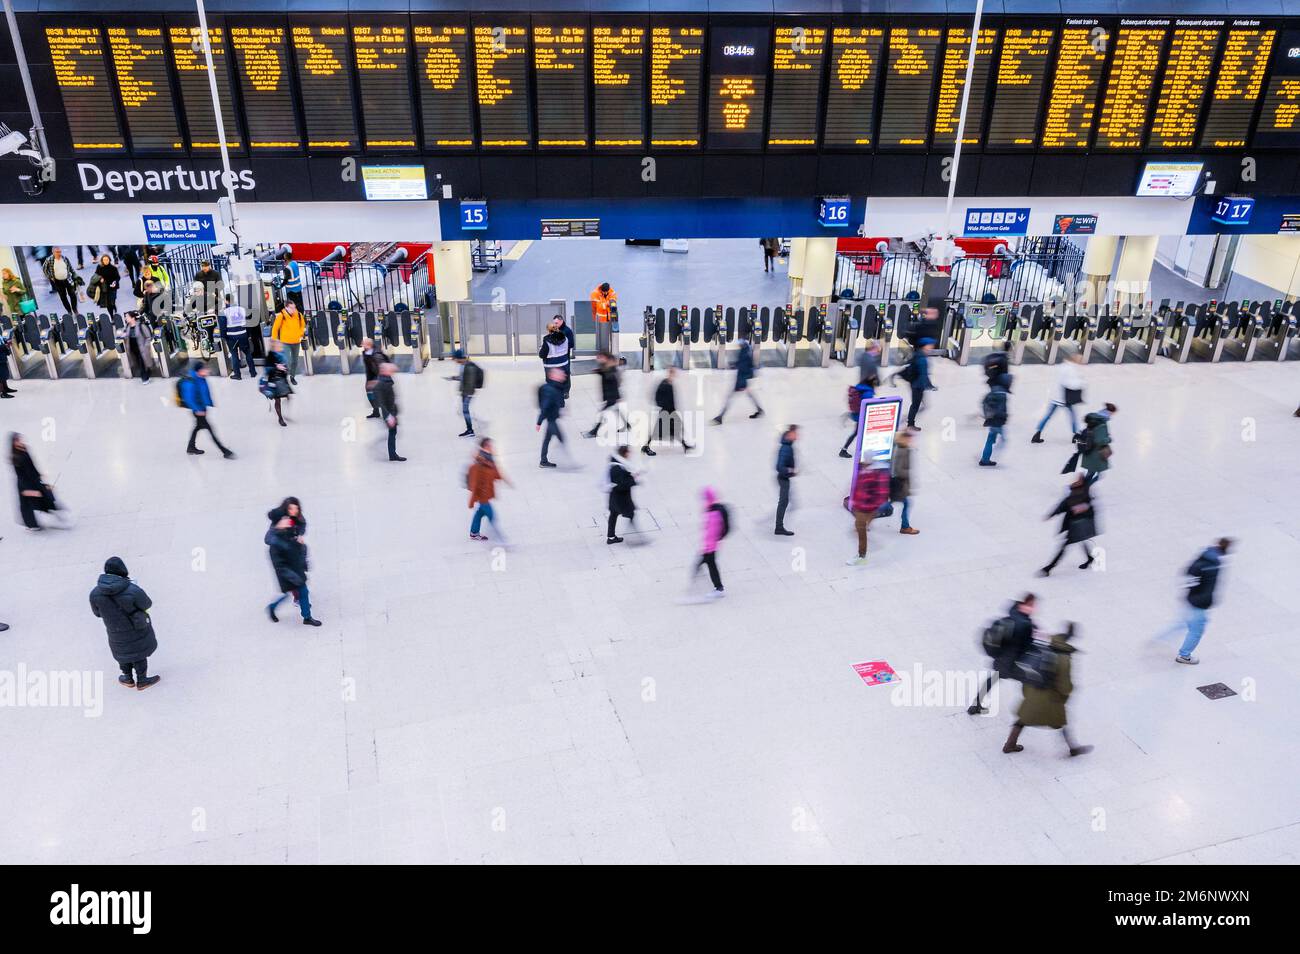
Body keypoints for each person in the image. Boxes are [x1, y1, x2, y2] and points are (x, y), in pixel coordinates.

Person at [1003, 624, 1092, 757]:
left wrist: (1027, 692)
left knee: (1023, 719)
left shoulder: (1043, 648)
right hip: (1050, 698)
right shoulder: (1064, 658)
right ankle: (1073, 748)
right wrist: (1069, 691)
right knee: (1060, 722)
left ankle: (1009, 744)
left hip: (1032, 692)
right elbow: (1064, 685)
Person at [89, 557, 160, 690]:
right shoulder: (132, 590)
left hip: (114, 630)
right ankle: (142, 680)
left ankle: (127, 678)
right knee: (138, 652)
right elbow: (147, 604)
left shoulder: (95, 593)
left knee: (122, 652)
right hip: (136, 628)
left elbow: (97, 613)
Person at [1163, 538, 1232, 665]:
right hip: (1200, 603)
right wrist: (1205, 600)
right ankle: (1184, 655)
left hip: (1191, 599)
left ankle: (1162, 639)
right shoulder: (1213, 564)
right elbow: (1208, 585)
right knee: (1196, 631)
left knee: (1184, 623)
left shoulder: (1205, 555)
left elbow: (1190, 574)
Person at [968, 594, 1037, 715]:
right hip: (1013, 661)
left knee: (993, 679)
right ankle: (1027, 714)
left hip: (1001, 658)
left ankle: (975, 705)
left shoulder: (1014, 613)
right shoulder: (1025, 625)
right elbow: (1025, 645)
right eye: (1032, 605)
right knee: (1030, 682)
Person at [266, 515, 322, 626]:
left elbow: (300, 548)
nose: (288, 520)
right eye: (284, 519)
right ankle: (272, 607)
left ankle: (307, 617)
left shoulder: (290, 532)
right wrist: (292, 577)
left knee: (304, 592)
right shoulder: (274, 544)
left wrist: (301, 547)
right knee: (286, 595)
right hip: (287, 575)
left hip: (296, 570)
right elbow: (279, 565)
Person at [12, 432, 72, 531]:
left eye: (20, 439)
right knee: (27, 505)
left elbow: (32, 465)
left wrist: (40, 476)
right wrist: (27, 490)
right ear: (13, 443)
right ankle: (33, 525)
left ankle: (57, 513)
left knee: (45, 496)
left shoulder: (25, 449)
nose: (20, 441)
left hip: (34, 480)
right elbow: (20, 476)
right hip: (25, 484)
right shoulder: (16, 458)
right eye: (17, 440)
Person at [1038, 476, 1097, 576]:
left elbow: (1066, 505)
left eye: (1079, 480)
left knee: (1064, 547)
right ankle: (1090, 558)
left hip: (1078, 525)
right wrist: (1051, 514)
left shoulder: (1081, 494)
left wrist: (1052, 514)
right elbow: (1063, 505)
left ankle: (1049, 568)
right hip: (1075, 524)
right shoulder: (1076, 492)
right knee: (1080, 540)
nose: (1075, 481)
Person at [179, 360, 235, 459]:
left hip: (202, 409)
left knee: (197, 427)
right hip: (198, 411)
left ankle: (190, 447)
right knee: (210, 430)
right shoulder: (192, 382)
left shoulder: (201, 378)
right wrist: (198, 410)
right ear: (198, 371)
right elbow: (189, 399)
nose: (207, 370)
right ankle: (224, 451)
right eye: (204, 369)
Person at [1031, 351, 1084, 443]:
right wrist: (1080, 383)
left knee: (1047, 416)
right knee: (1073, 416)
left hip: (1055, 396)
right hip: (1064, 398)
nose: (1080, 361)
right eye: (1079, 359)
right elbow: (1069, 383)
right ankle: (1076, 435)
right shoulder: (1070, 369)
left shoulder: (1061, 366)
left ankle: (1037, 433)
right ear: (1074, 359)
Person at [467, 438, 512, 541]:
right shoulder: (480, 462)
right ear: (486, 447)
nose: (493, 447)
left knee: (480, 513)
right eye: (491, 446)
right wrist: (474, 497)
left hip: (486, 492)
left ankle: (474, 533)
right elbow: (474, 481)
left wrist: (505, 480)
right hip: (482, 494)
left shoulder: (489, 458)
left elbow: (495, 472)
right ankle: (501, 540)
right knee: (492, 516)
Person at [846, 461, 890, 566]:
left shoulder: (874, 474)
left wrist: (869, 506)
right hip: (862, 507)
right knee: (859, 526)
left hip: (866, 507)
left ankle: (862, 556)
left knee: (860, 528)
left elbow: (879, 494)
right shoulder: (865, 472)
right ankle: (862, 554)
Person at [641, 367, 692, 455]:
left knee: (677, 428)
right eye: (674, 373)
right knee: (658, 431)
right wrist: (664, 405)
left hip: (671, 411)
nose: (675, 375)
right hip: (665, 412)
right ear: (670, 373)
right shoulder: (664, 383)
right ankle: (645, 447)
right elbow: (657, 397)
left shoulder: (670, 383)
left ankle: (685, 445)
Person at [712, 338, 763, 424]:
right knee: (750, 395)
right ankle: (759, 410)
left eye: (740, 344)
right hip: (742, 381)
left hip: (741, 381)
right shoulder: (745, 352)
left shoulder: (744, 355)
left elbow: (744, 369)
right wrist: (734, 365)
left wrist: (741, 384)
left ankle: (720, 417)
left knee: (729, 398)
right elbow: (744, 365)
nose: (738, 346)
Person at [690, 487, 728, 598]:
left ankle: (719, 588)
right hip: (712, 544)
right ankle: (716, 586)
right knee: (709, 563)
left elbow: (711, 533)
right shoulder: (714, 508)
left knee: (709, 564)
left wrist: (708, 547)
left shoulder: (713, 513)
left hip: (710, 546)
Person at [586, 350, 627, 439]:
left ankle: (595, 431)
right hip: (610, 395)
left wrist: (617, 397)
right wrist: (598, 371)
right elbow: (604, 373)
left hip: (612, 396)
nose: (598, 359)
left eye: (600, 357)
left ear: (606, 358)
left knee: (602, 413)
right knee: (616, 411)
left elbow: (615, 383)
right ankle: (627, 425)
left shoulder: (612, 370)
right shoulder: (606, 367)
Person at [898, 338, 934, 429]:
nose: (932, 346)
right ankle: (910, 424)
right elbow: (923, 375)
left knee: (916, 404)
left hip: (915, 383)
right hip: (917, 386)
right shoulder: (922, 358)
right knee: (915, 405)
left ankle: (910, 421)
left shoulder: (918, 354)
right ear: (925, 346)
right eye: (930, 345)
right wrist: (927, 385)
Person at [605, 445, 638, 544]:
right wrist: (633, 479)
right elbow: (622, 485)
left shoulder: (616, 463)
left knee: (613, 515)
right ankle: (634, 538)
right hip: (621, 499)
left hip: (613, 497)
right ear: (625, 453)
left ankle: (611, 537)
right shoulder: (618, 468)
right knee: (631, 514)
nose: (630, 454)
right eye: (629, 452)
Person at [538, 316, 576, 401]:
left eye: (556, 323)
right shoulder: (564, 338)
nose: (556, 324)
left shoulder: (548, 341)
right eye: (554, 323)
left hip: (552, 366)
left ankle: (557, 398)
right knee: (562, 381)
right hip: (563, 362)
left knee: (553, 383)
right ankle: (561, 399)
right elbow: (566, 346)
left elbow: (542, 354)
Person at [889, 427, 919, 535]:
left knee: (892, 502)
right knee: (906, 503)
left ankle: (867, 520)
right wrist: (908, 473)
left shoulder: (903, 449)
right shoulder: (903, 451)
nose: (911, 439)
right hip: (900, 484)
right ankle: (905, 527)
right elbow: (899, 470)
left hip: (900, 484)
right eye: (908, 437)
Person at [978, 371, 1010, 467]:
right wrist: (1004, 417)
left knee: (991, 439)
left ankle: (985, 458)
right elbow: (1001, 409)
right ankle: (987, 458)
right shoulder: (1002, 394)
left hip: (992, 420)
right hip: (997, 421)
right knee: (1003, 440)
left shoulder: (994, 391)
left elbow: (984, 403)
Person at [373, 361, 404, 461]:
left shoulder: (386, 380)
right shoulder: (381, 384)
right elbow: (381, 403)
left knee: (393, 433)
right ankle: (392, 455)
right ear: (385, 371)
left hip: (392, 411)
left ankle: (393, 454)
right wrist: (388, 416)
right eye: (390, 371)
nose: (392, 373)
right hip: (389, 414)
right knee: (392, 433)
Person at [537, 367, 567, 468]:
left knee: (547, 439)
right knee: (561, 439)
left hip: (552, 418)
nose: (563, 375)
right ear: (553, 376)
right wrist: (539, 422)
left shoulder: (556, 387)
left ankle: (543, 461)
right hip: (551, 420)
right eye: (560, 374)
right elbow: (544, 407)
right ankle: (567, 461)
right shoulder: (550, 390)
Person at [1078, 404, 1116, 484]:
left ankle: (1084, 489)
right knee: (1097, 475)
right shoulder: (1102, 422)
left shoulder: (1095, 418)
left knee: (1091, 473)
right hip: (1096, 454)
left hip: (1090, 451)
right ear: (1110, 412)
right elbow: (1100, 440)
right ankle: (1083, 489)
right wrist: (1108, 439)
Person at [271, 299, 306, 384]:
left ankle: (292, 376)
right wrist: (274, 340)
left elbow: (303, 326)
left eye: (294, 307)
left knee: (295, 361)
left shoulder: (298, 314)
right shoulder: (281, 316)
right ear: (286, 307)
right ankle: (284, 377)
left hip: (296, 342)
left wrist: (300, 334)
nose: (293, 309)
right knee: (287, 361)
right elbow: (275, 329)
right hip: (285, 342)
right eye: (291, 308)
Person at [220, 294, 255, 380]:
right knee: (247, 353)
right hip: (243, 334)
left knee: (234, 355)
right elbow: (248, 322)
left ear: (226, 301)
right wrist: (248, 334)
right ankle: (253, 372)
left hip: (231, 337)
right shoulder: (242, 309)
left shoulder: (224, 312)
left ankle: (237, 375)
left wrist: (223, 337)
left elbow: (223, 326)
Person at [840, 378, 875, 458]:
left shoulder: (859, 387)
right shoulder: (868, 392)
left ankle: (844, 450)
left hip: (857, 414)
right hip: (862, 416)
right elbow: (869, 404)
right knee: (858, 433)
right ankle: (844, 450)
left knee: (857, 433)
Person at [452, 349, 483, 437]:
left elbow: (470, 382)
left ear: (459, 358)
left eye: (455, 359)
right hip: (465, 392)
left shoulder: (469, 367)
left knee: (465, 411)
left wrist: (467, 394)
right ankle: (470, 428)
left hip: (468, 393)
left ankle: (470, 430)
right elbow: (463, 377)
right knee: (464, 411)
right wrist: (454, 378)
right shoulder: (463, 365)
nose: (455, 361)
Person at [42, 247, 82, 315]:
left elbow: (71, 268)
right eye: (57, 252)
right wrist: (50, 277)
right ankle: (69, 311)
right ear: (53, 252)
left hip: (68, 279)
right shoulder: (49, 260)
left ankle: (75, 309)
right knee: (63, 297)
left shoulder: (64, 258)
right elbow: (44, 269)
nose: (59, 253)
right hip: (57, 281)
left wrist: (75, 276)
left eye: (60, 252)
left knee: (73, 295)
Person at [774, 425, 798, 536]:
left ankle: (779, 525)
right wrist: (790, 470)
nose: (797, 436)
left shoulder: (788, 446)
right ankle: (779, 527)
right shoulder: (786, 448)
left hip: (785, 477)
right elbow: (779, 466)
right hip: (783, 478)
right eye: (795, 434)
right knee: (783, 502)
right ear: (789, 435)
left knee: (785, 501)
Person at [262, 345, 292, 427]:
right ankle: (280, 418)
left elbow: (286, 368)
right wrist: (276, 367)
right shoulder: (269, 356)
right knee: (277, 400)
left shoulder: (282, 355)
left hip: (282, 380)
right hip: (273, 381)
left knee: (288, 397)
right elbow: (267, 370)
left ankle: (283, 413)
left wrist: (285, 369)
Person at [122, 312, 154, 383]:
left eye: (127, 317)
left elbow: (148, 337)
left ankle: (144, 378)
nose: (126, 319)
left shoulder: (141, 325)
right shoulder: (127, 326)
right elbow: (126, 335)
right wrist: (123, 335)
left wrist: (146, 346)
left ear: (133, 318)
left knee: (142, 362)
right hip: (132, 349)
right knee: (138, 363)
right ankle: (148, 371)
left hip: (141, 348)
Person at [361, 337, 388, 419]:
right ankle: (375, 411)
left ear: (368, 345)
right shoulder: (366, 352)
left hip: (378, 379)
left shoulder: (377, 354)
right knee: (370, 395)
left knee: (381, 396)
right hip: (370, 378)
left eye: (363, 344)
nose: (361, 345)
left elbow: (381, 368)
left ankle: (386, 414)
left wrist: (377, 380)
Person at [0, 329, 13, 398]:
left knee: (3, 374)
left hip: (2, 356)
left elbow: (1, 340)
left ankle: (6, 388)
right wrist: (5, 345)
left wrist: (6, 342)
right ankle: (3, 393)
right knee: (0, 376)